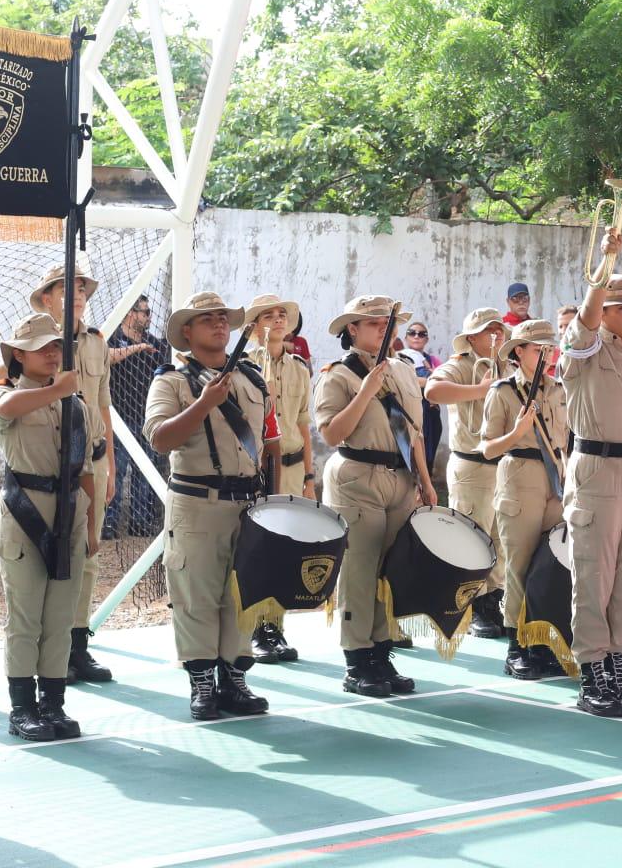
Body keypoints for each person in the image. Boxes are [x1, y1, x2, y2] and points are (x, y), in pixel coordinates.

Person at [143, 292, 274, 720]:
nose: (219, 324)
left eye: (222, 318)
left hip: (247, 502)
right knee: (196, 595)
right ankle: (202, 683)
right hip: (197, 501)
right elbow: (159, 438)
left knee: (242, 594)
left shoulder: (252, 378)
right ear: (187, 331)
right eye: (207, 319)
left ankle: (234, 679)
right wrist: (203, 404)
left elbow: (267, 442)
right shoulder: (172, 381)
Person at [558, 233, 622, 718]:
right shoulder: (583, 348)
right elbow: (583, 321)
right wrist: (606, 263)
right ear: (603, 312)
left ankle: (618, 669)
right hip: (598, 469)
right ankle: (592, 674)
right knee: (594, 575)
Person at [314, 295, 434, 698]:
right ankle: (357, 658)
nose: (385, 329)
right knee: (360, 570)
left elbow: (413, 432)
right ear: (353, 329)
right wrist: (365, 391)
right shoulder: (337, 375)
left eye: (388, 323)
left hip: (400, 476)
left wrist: (425, 480)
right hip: (357, 475)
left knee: (389, 570)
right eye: (374, 323)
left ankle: (381, 652)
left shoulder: (403, 370)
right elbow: (332, 433)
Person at [0, 313, 98, 741]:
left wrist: (93, 526)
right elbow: (5, 410)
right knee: (26, 616)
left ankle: (53, 703)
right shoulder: (6, 394)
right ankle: (22, 708)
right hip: (24, 512)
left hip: (69, 513)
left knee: (59, 617)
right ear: (19, 354)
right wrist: (56, 390)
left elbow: (85, 468)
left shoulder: (75, 404)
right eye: (42, 347)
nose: (53, 353)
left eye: (57, 346)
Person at [24, 263, 115, 686]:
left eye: (81, 288)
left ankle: (78, 647)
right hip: (49, 462)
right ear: (46, 299)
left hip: (91, 460)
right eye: (66, 288)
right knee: (43, 556)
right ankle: (48, 649)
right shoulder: (33, 340)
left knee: (88, 554)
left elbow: (103, 404)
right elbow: (3, 382)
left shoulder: (96, 342)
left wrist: (110, 462)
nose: (77, 295)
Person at [478, 319, 570, 678]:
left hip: (555, 480)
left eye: (550, 348)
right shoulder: (503, 392)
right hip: (520, 476)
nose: (547, 354)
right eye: (538, 348)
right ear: (518, 351)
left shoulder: (559, 389)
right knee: (519, 567)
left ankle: (542, 641)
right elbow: (488, 448)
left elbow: (566, 439)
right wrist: (517, 432)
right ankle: (516, 646)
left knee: (550, 564)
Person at [426, 308, 507, 638]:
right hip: (472, 464)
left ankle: (493, 601)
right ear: (471, 337)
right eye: (489, 330)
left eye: (499, 329)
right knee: (473, 539)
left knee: (500, 540)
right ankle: (471, 607)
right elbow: (433, 391)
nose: (496, 335)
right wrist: (480, 390)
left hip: (504, 465)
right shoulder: (462, 364)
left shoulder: (508, 365)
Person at [245, 294, 316, 664]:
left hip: (290, 466)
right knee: (259, 547)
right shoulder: (245, 365)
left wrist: (309, 476)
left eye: (282, 314)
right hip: (258, 467)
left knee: (286, 547)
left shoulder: (299, 368)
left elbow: (303, 425)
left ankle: (274, 626)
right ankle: (253, 626)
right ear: (256, 325)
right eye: (268, 315)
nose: (277, 319)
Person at [106, 296, 168, 539]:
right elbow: (106, 357)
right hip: (118, 419)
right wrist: (137, 348)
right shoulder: (111, 339)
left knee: (145, 473)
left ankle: (139, 523)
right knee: (116, 472)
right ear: (130, 313)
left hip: (146, 420)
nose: (149, 317)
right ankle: (108, 524)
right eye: (145, 312)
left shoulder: (154, 344)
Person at [401, 321, 444, 469]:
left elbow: (444, 384)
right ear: (406, 338)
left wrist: (426, 381)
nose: (416, 336)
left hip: (431, 412)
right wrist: (430, 380)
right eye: (412, 333)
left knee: (430, 451)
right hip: (409, 411)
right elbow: (404, 380)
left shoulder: (433, 361)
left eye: (421, 334)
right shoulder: (399, 358)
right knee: (411, 452)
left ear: (426, 339)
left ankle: (428, 478)